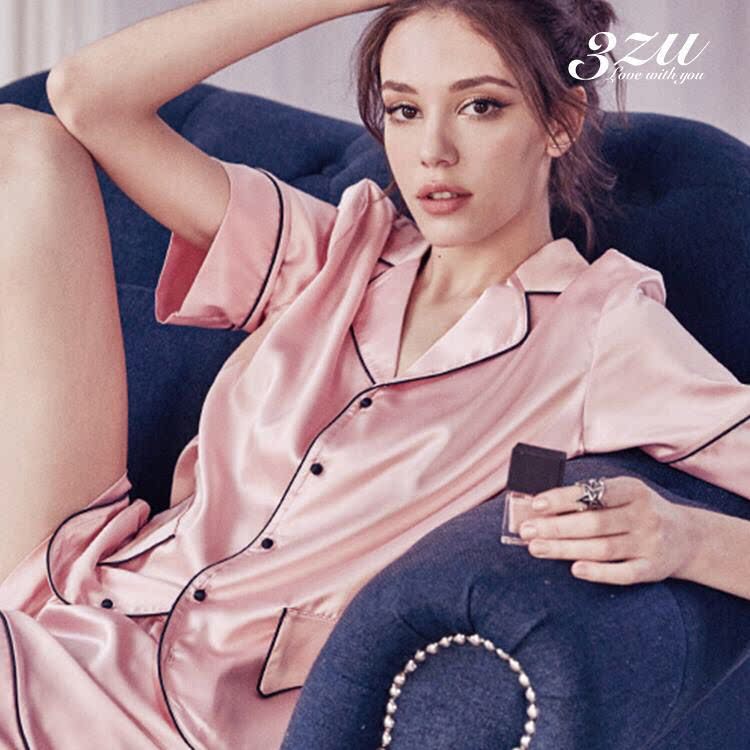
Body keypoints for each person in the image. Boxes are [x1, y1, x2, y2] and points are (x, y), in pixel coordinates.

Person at [0, 0, 748, 748]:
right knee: (24, 143)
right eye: (405, 110)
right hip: (78, 601)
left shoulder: (605, 333)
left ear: (560, 122)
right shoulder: (337, 251)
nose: (434, 153)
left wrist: (685, 538)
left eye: (481, 106)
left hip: (196, 714)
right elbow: (85, 96)